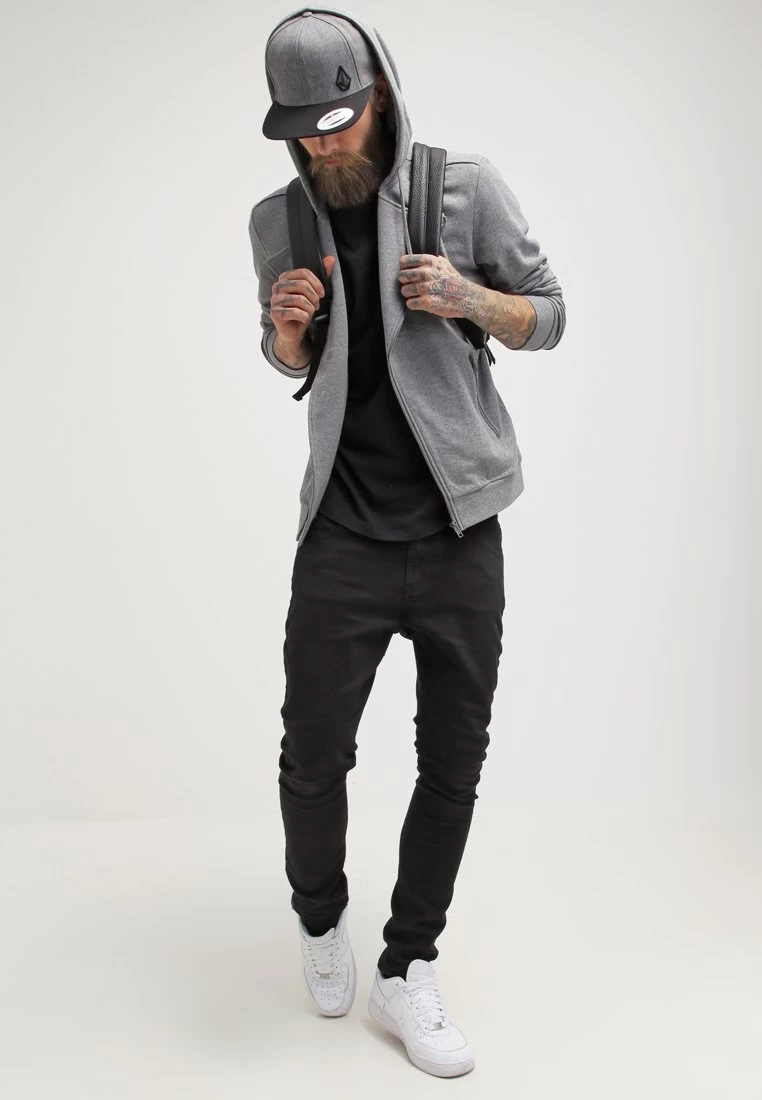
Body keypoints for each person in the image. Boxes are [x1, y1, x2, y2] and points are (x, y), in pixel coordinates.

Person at [248, 5, 565, 1078]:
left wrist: (468, 296)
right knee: (310, 757)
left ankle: (408, 964)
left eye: (336, 121)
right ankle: (319, 917)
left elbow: (551, 312)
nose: (321, 146)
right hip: (341, 533)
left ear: (377, 92)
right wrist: (286, 332)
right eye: (301, 131)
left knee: (453, 763)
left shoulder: (462, 187)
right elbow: (288, 358)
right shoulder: (276, 220)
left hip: (459, 531)